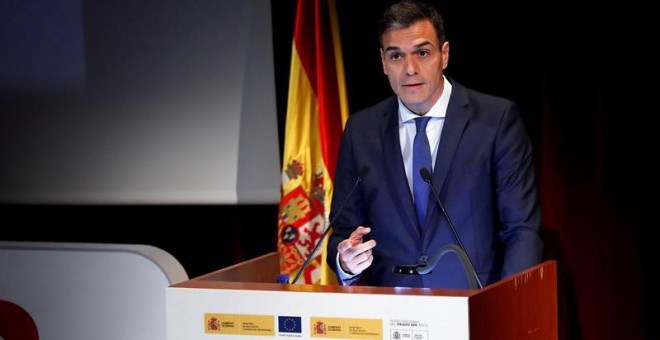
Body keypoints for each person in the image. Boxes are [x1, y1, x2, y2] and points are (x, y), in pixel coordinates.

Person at [326, 0, 543, 289]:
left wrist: (511, 307)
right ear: (382, 62)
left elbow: (521, 230)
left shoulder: (495, 121)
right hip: (390, 313)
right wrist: (346, 261)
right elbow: (342, 230)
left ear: (444, 54)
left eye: (422, 53)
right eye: (396, 56)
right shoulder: (361, 130)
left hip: (474, 308)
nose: (410, 69)